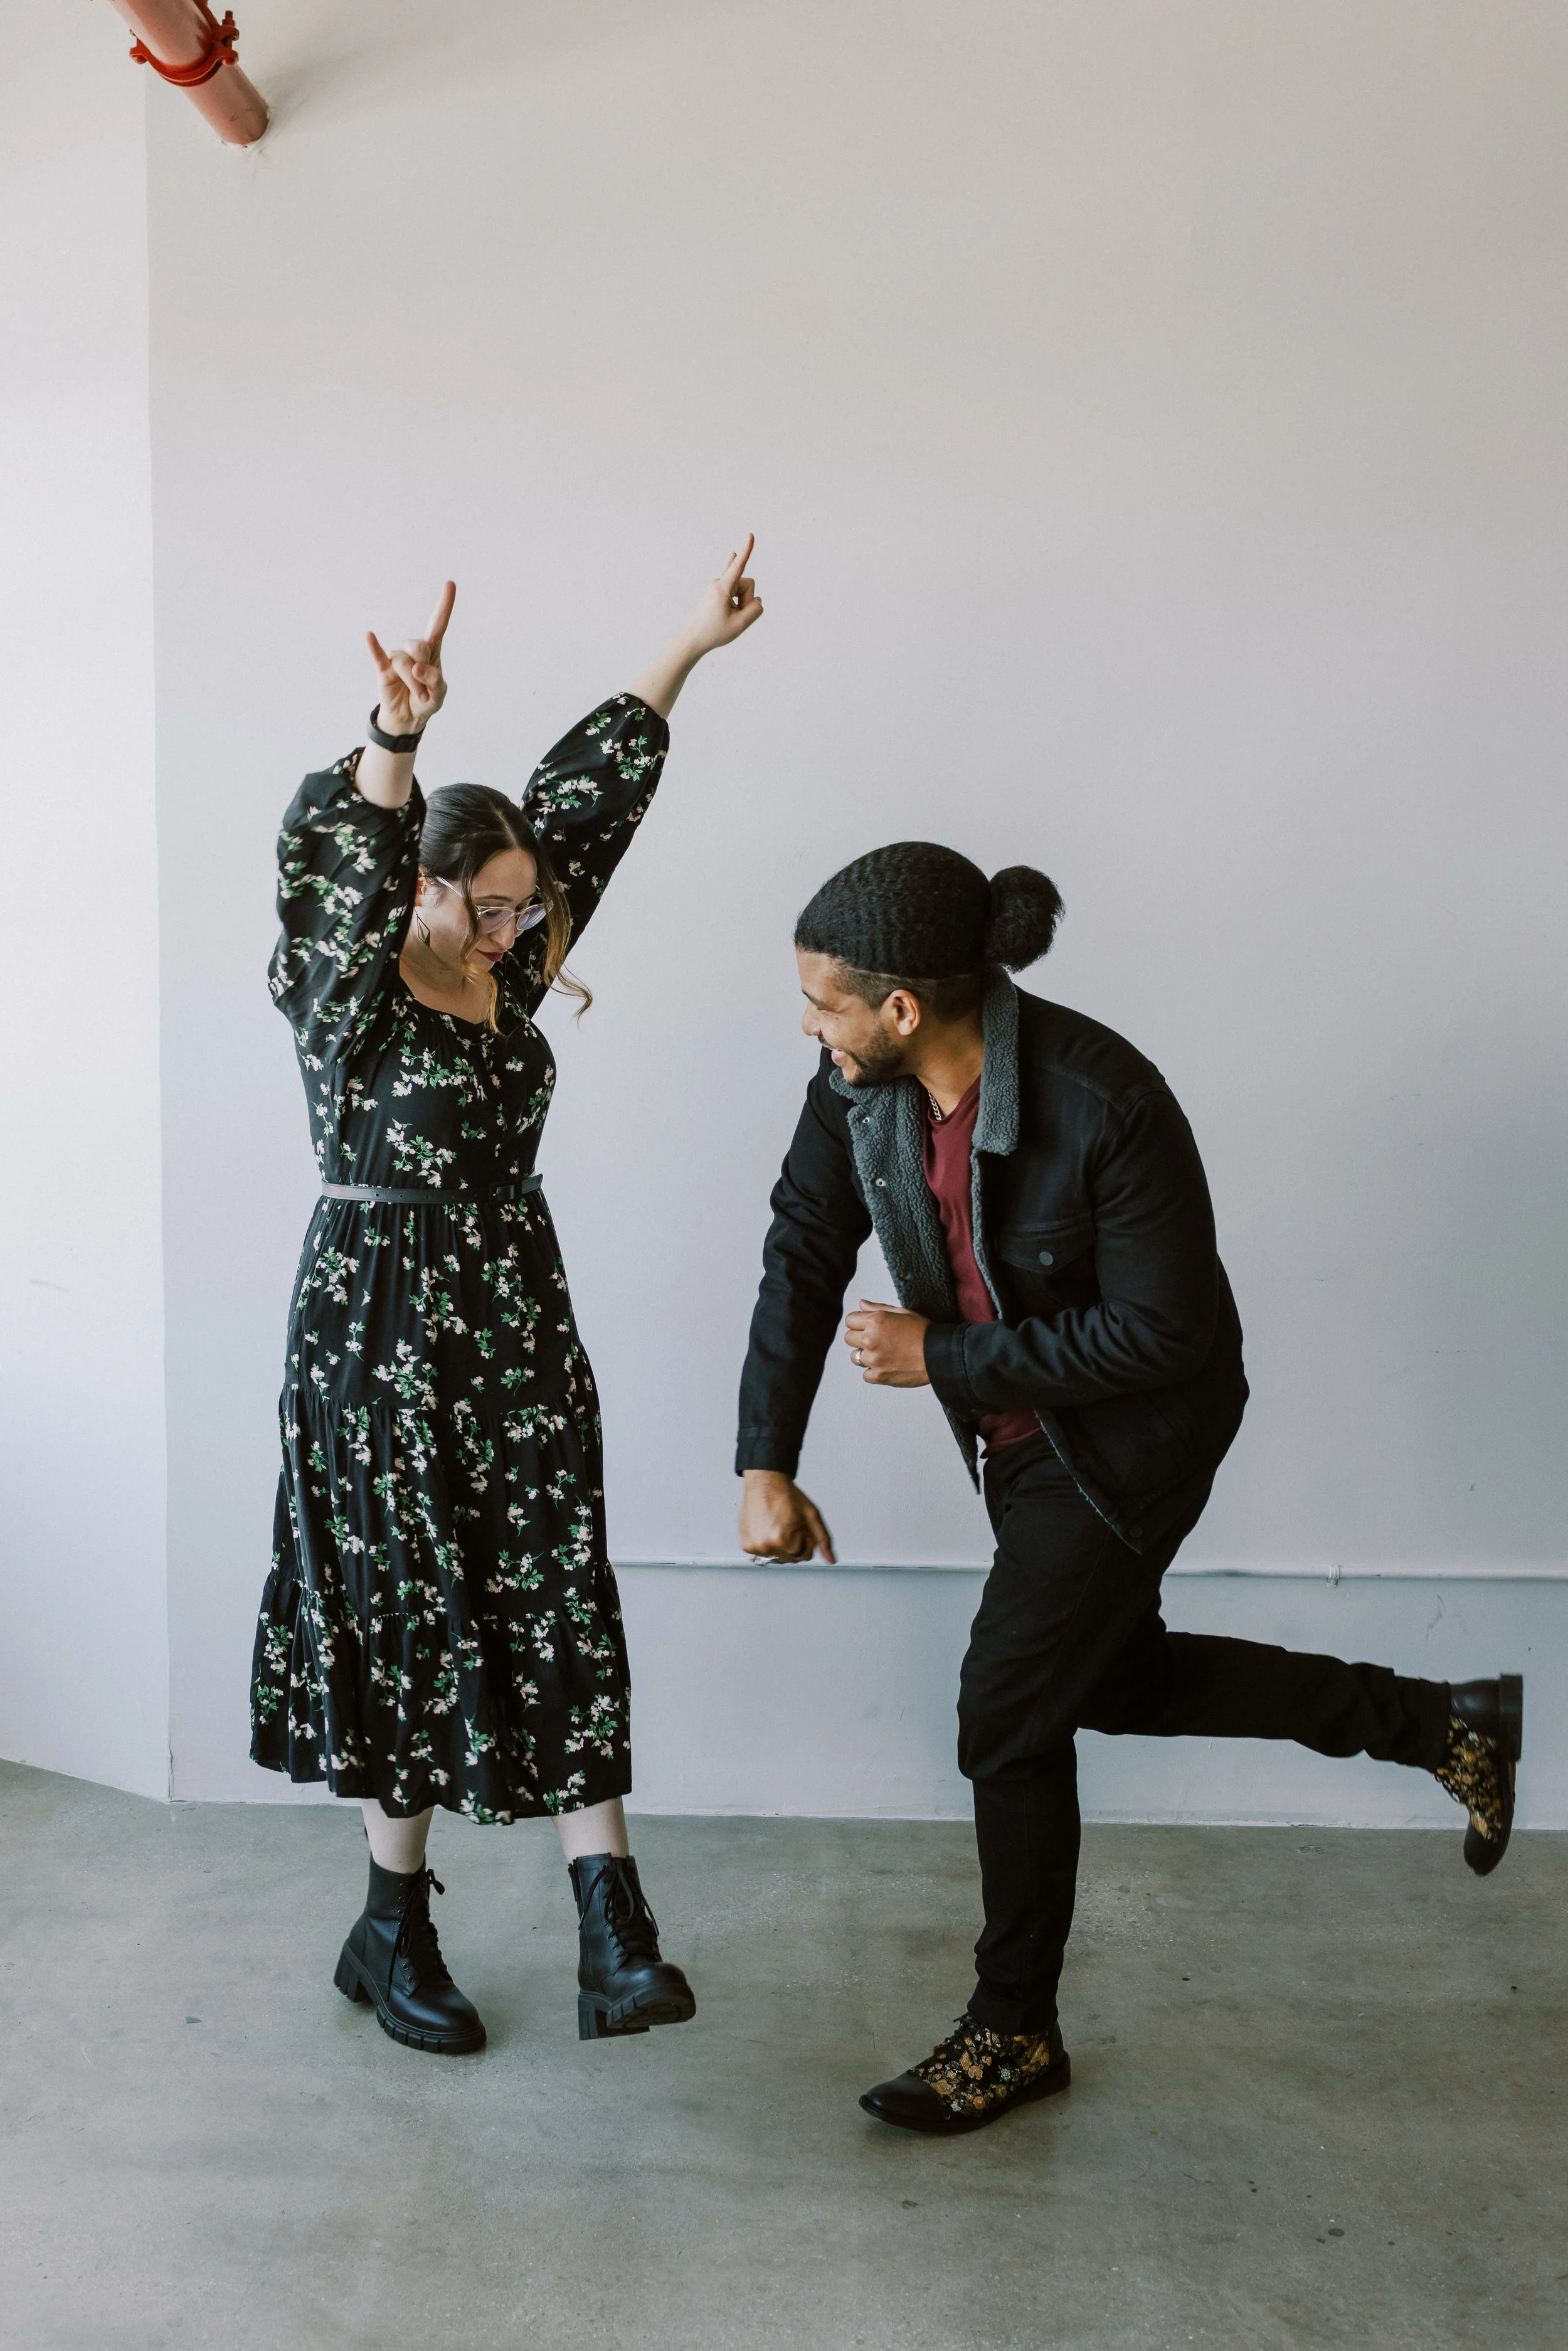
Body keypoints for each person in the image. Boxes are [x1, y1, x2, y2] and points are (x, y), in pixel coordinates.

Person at [735, 839, 1523, 2135]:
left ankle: (1012, 2028)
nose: (804, 1024)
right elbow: (801, 1244)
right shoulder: (855, 1089)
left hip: (1131, 1436)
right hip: (1015, 1430)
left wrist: (945, 1352)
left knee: (1006, 1708)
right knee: (1101, 1676)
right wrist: (766, 1457)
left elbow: (1170, 1334)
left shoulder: (1102, 1097)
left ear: (901, 1006)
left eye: (821, 1000)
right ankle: (1442, 1721)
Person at [253, 542, 763, 2056]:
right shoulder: (342, 995)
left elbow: (592, 803)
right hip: (376, 1329)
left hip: (514, 1315)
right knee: (415, 1604)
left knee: (550, 1573)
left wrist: (685, 643)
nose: (513, 930)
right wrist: (396, 738)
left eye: (523, 908)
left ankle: (613, 1919)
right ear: (418, 886)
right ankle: (390, 1922)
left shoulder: (511, 968)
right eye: (484, 905)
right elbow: (333, 858)